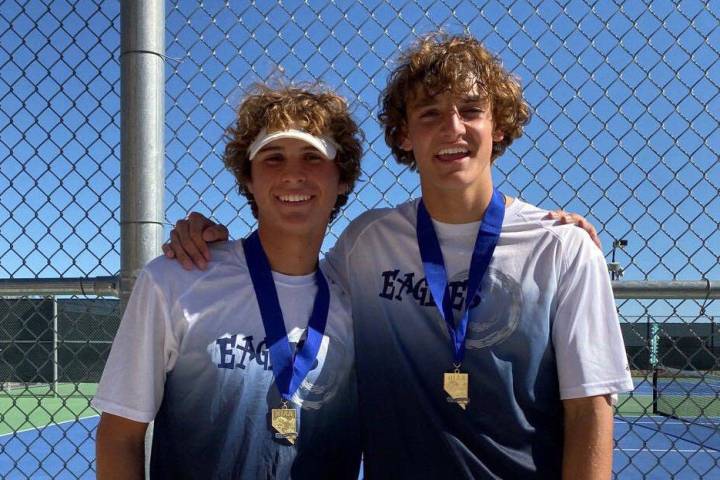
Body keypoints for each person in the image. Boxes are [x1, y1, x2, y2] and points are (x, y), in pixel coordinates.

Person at [166, 33, 633, 479]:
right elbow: (289, 280)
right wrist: (209, 242)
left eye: (471, 110)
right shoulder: (368, 241)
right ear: (404, 134)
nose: (453, 128)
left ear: (501, 126)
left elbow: (591, 409)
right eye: (429, 114)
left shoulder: (562, 248)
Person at [92, 85, 364, 479]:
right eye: (273, 158)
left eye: (312, 156)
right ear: (248, 179)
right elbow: (120, 436)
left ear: (342, 179)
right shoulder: (176, 278)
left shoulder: (359, 301)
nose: (293, 174)